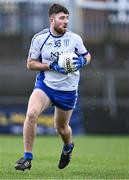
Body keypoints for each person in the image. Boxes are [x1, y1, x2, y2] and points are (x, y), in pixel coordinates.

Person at [14, 3, 91, 171]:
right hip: (46, 86)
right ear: (52, 19)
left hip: (68, 90)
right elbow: (30, 64)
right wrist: (51, 66)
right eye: (62, 18)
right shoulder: (40, 39)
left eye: (67, 18)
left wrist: (82, 61)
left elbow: (87, 55)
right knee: (31, 113)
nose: (65, 21)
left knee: (61, 129)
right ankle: (27, 158)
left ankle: (68, 147)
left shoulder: (74, 38)